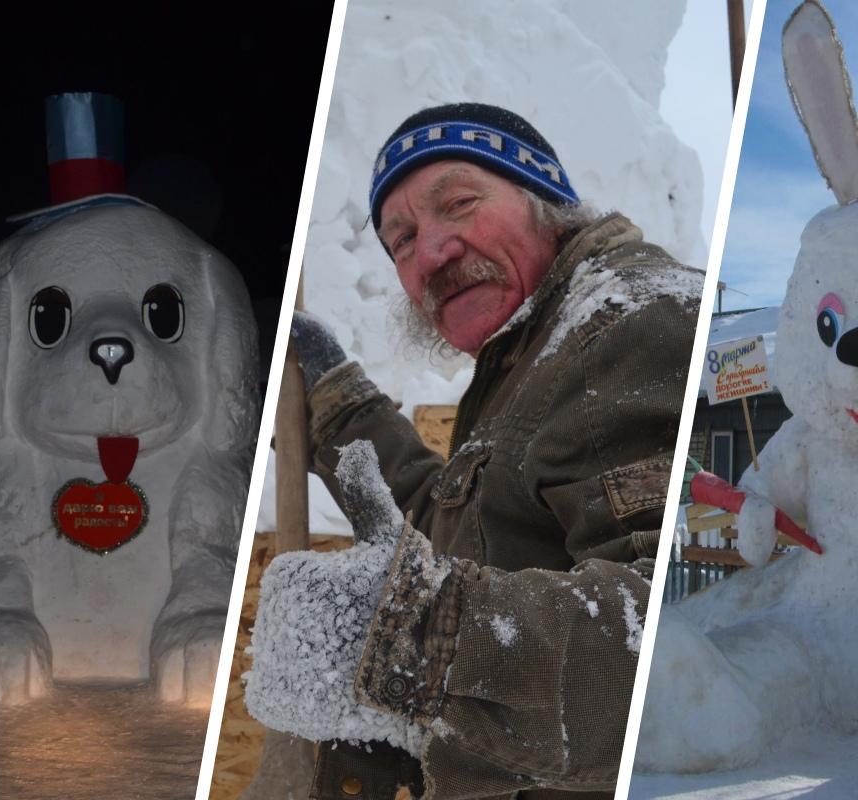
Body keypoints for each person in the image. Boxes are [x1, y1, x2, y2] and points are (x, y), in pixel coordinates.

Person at [254, 103, 702, 799]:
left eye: (458, 204)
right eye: (401, 240)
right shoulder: (529, 357)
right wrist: (340, 404)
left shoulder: (634, 319)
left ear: (545, 202)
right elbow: (460, 527)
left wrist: (415, 632)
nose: (430, 253)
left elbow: (669, 641)